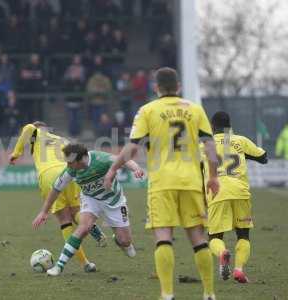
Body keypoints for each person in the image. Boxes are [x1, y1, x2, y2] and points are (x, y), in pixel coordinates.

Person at [104, 68, 219, 300]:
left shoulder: (147, 110)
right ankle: (209, 293)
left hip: (162, 182)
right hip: (191, 181)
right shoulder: (195, 109)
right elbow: (210, 149)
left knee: (163, 236)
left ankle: (167, 294)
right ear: (178, 86)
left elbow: (133, 147)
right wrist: (214, 176)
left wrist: (114, 168)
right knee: (198, 238)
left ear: (155, 87)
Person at [33, 143, 144, 276]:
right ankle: (59, 266)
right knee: (83, 228)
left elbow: (124, 159)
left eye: (71, 163)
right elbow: (56, 190)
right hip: (91, 200)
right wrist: (44, 211)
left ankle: (119, 240)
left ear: (81, 160)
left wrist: (136, 168)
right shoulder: (71, 170)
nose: (68, 166)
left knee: (125, 241)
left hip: (114, 201)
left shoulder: (101, 159)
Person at [9, 122, 106, 273]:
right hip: (69, 172)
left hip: (49, 175)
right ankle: (89, 225)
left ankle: (85, 263)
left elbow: (28, 128)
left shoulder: (35, 133)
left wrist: (16, 153)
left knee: (65, 221)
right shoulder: (62, 140)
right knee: (76, 213)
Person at [207, 112, 267, 283]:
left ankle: (222, 253)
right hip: (240, 191)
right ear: (229, 125)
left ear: (212, 126)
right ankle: (239, 269)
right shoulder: (240, 140)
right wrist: (244, 155)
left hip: (217, 192)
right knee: (243, 234)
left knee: (215, 237)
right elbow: (263, 158)